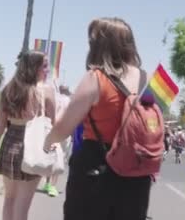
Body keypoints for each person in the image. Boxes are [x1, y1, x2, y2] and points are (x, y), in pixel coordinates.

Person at [42, 17, 151, 220]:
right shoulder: (146, 79)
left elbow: (64, 126)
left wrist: (47, 142)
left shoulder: (96, 78)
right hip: (136, 174)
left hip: (96, 169)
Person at [0, 51, 55, 220]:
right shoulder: (46, 91)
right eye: (44, 66)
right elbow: (52, 126)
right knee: (22, 205)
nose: (47, 70)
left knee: (9, 199)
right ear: (33, 67)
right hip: (33, 147)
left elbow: (0, 125)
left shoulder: (9, 90)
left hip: (10, 144)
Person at [42, 85, 72, 197]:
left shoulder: (55, 98)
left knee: (50, 156)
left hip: (51, 129)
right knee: (60, 158)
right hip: (64, 131)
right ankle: (53, 186)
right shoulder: (69, 101)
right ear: (67, 91)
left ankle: (47, 183)